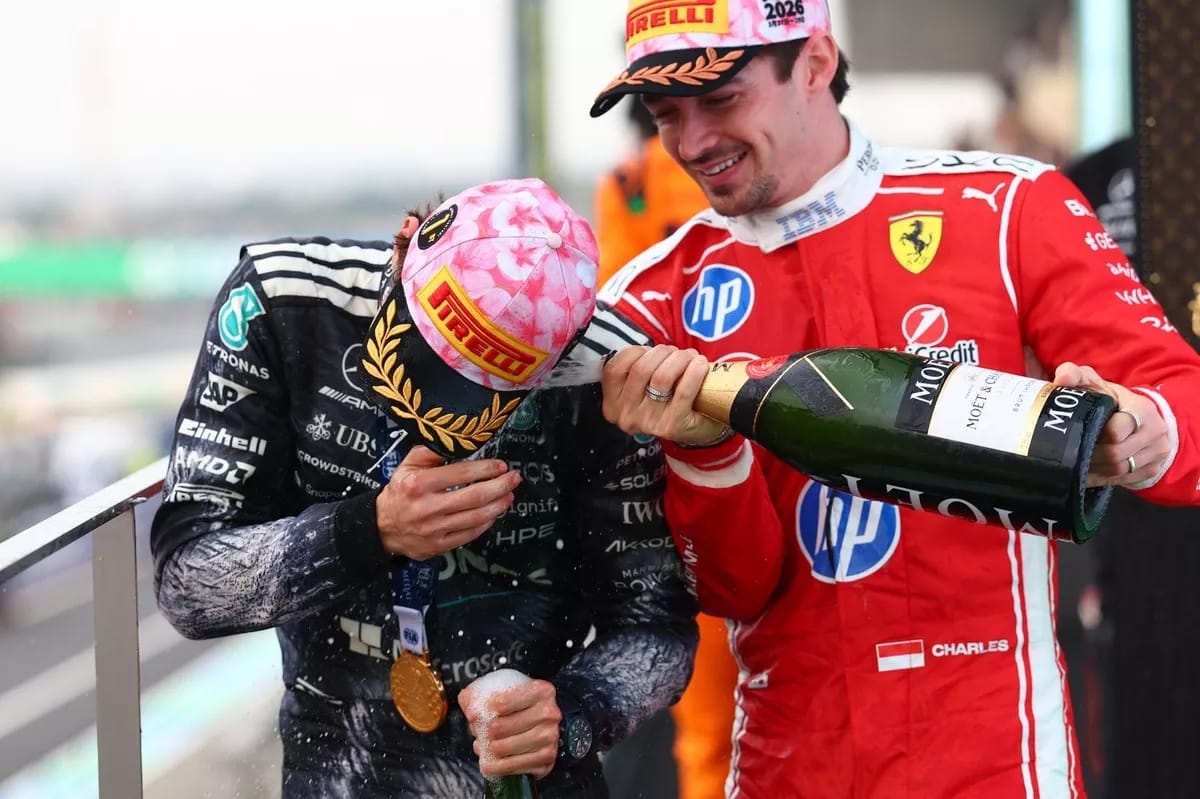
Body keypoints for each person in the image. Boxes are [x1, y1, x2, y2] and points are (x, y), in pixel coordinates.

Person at [586, 2, 1200, 796]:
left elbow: (1181, 398)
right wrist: (706, 455)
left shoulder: (1010, 207)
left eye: (721, 99)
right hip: (788, 766)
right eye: (666, 114)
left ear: (813, 62)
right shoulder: (648, 297)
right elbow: (730, 590)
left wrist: (1145, 430)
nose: (693, 142)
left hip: (998, 762)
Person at [150, 178, 698, 798]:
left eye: (481, 386)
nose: (428, 412)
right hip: (337, 767)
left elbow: (657, 628)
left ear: (559, 357)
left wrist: (572, 717)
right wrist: (369, 531)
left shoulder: (605, 370)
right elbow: (187, 585)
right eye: (427, 357)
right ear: (406, 243)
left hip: (528, 779)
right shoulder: (282, 301)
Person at [594, 99, 738, 799]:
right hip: (739, 471)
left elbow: (617, 330)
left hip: (681, 485)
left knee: (707, 735)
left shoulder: (630, 185)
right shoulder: (633, 185)